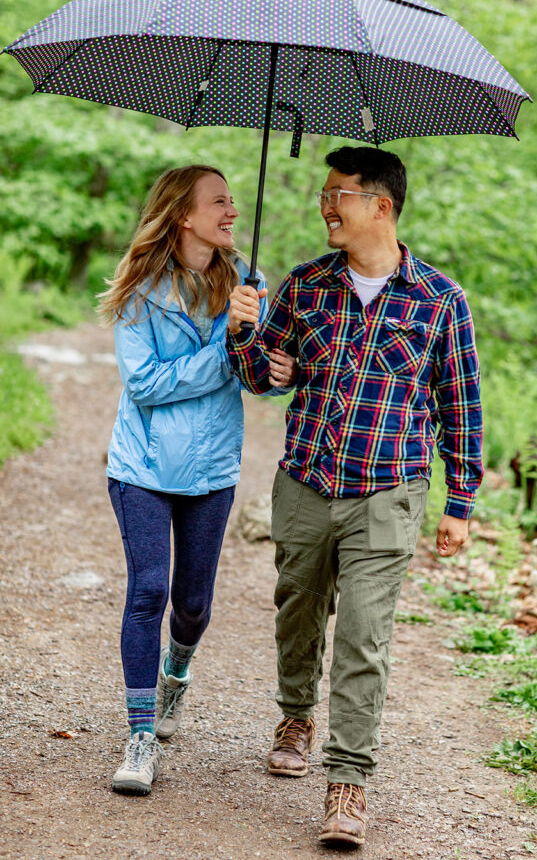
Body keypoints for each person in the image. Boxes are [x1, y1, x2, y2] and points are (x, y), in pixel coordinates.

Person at [227, 146, 483, 847]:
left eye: (337, 193)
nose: (325, 206)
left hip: (388, 492)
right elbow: (261, 376)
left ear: (381, 205)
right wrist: (243, 331)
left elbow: (460, 406)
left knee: (365, 636)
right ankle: (295, 714)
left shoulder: (440, 301)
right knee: (298, 608)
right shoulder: (306, 286)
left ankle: (348, 782)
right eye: (323, 193)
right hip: (306, 481)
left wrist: (459, 501)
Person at [98, 164, 296, 796]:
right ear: (184, 215)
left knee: (193, 604)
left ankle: (175, 673)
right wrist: (224, 347)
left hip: (211, 469)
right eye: (219, 201)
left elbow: (255, 382)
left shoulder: (248, 281)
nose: (232, 211)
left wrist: (270, 359)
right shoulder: (140, 291)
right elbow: (145, 384)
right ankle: (140, 736)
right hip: (143, 467)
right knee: (148, 592)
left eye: (234, 201)